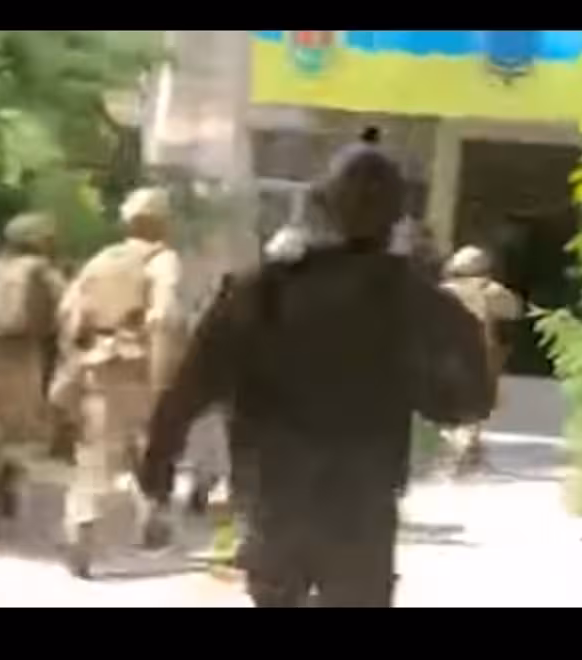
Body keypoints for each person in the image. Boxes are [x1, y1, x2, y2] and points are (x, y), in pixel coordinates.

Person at [140, 141, 494, 607]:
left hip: (275, 498)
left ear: (321, 207)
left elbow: (189, 388)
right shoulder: (419, 302)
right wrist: (416, 387)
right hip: (361, 507)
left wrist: (159, 463)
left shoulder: (259, 292)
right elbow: (470, 401)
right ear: (397, 217)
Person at [50, 186, 186, 579]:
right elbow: (164, 319)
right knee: (151, 446)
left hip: (98, 363)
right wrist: (163, 376)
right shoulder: (163, 261)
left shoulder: (103, 259)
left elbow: (69, 312)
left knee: (98, 450)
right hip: (139, 365)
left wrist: (77, 356)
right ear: (163, 222)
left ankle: (81, 524)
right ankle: (151, 519)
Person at [0, 212, 66, 537]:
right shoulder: (43, 270)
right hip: (23, 354)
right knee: (22, 431)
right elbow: (67, 308)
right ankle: (6, 477)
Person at [440, 245, 524, 473]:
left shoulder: (444, 291)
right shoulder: (492, 290)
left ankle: (461, 449)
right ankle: (467, 447)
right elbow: (515, 311)